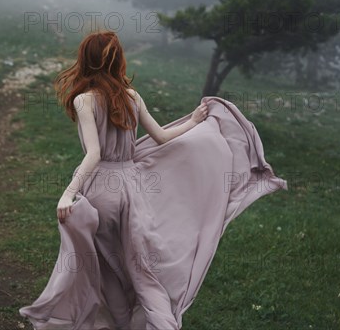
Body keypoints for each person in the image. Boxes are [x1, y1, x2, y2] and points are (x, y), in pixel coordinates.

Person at [19, 29, 288, 329]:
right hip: (134, 190)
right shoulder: (132, 97)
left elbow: (93, 154)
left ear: (85, 60)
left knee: (109, 271)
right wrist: (195, 121)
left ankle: (117, 322)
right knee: (141, 270)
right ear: (117, 60)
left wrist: (68, 193)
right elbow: (161, 137)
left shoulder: (85, 100)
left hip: (101, 193)